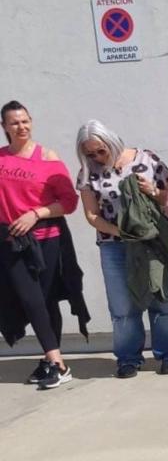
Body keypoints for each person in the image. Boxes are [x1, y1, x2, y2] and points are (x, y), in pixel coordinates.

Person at [75, 119, 168, 378]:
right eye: (90, 153)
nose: (96, 157)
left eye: (100, 151)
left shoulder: (147, 160)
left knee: (164, 297)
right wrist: (121, 232)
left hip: (153, 241)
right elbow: (92, 216)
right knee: (122, 306)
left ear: (111, 141)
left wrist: (152, 190)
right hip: (115, 246)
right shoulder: (87, 173)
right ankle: (128, 358)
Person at [0, 100, 81, 389]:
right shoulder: (1, 159)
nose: (21, 127)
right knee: (30, 298)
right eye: (14, 123)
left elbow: (69, 202)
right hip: (10, 241)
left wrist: (36, 213)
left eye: (25, 121)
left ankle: (51, 361)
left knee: (46, 301)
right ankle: (58, 362)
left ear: (31, 121)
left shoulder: (47, 156)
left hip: (47, 240)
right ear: (4, 127)